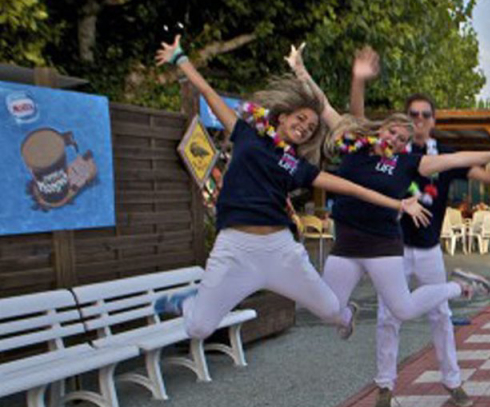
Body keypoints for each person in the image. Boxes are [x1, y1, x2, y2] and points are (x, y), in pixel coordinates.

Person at [151, 35, 421, 342]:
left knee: (333, 308)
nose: (305, 127)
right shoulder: (247, 135)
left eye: (310, 128)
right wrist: (181, 58)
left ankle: (346, 316)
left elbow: (350, 187)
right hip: (234, 248)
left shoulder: (297, 166)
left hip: (279, 250)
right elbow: (209, 95)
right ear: (283, 117)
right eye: (301, 119)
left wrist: (398, 204)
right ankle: (188, 302)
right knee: (198, 328)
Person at [347, 57, 490, 407]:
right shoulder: (390, 150)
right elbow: (356, 123)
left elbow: (484, 177)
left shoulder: (443, 154)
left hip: (430, 248)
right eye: (413, 115)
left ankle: (452, 381)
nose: (419, 120)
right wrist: (358, 80)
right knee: (389, 317)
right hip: (393, 247)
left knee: (441, 314)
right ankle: (385, 388)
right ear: (405, 121)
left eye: (425, 115)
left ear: (433, 121)